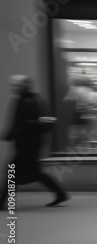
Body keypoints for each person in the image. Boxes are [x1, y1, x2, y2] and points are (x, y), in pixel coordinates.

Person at [1, 75, 69, 209]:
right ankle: (60, 194)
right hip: (31, 143)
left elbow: (26, 124)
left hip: (28, 143)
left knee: (12, 170)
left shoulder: (27, 101)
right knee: (35, 173)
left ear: (24, 86)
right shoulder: (30, 99)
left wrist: (11, 134)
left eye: (16, 85)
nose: (13, 88)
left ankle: (2, 201)